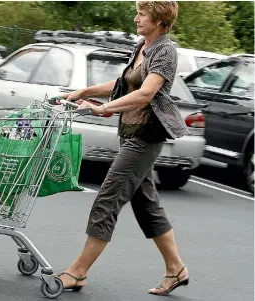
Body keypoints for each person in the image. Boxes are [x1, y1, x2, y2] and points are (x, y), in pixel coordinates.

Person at [57, 1, 190, 296]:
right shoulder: (143, 45)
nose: (136, 19)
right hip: (129, 133)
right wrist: (84, 91)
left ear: (158, 20)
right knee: (146, 205)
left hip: (145, 137)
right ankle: (176, 270)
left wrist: (104, 109)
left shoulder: (165, 51)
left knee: (108, 198)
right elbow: (124, 83)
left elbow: (145, 93)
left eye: (142, 14)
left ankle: (78, 273)